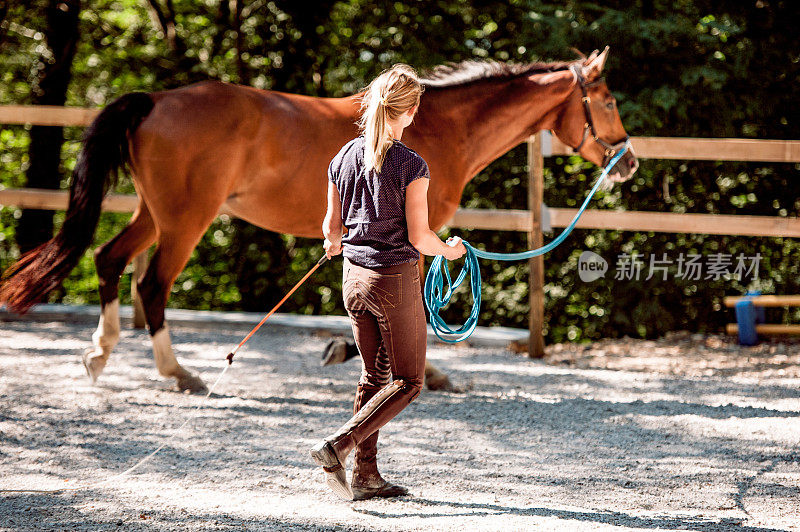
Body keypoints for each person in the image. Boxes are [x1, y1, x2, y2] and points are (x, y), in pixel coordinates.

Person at [310, 64, 467, 501]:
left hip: (353, 282)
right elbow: (420, 237)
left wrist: (334, 241)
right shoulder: (412, 164)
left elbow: (331, 228)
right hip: (393, 281)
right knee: (409, 381)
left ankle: (366, 475)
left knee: (374, 375)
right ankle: (338, 446)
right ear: (411, 111)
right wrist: (451, 250)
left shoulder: (342, 156)